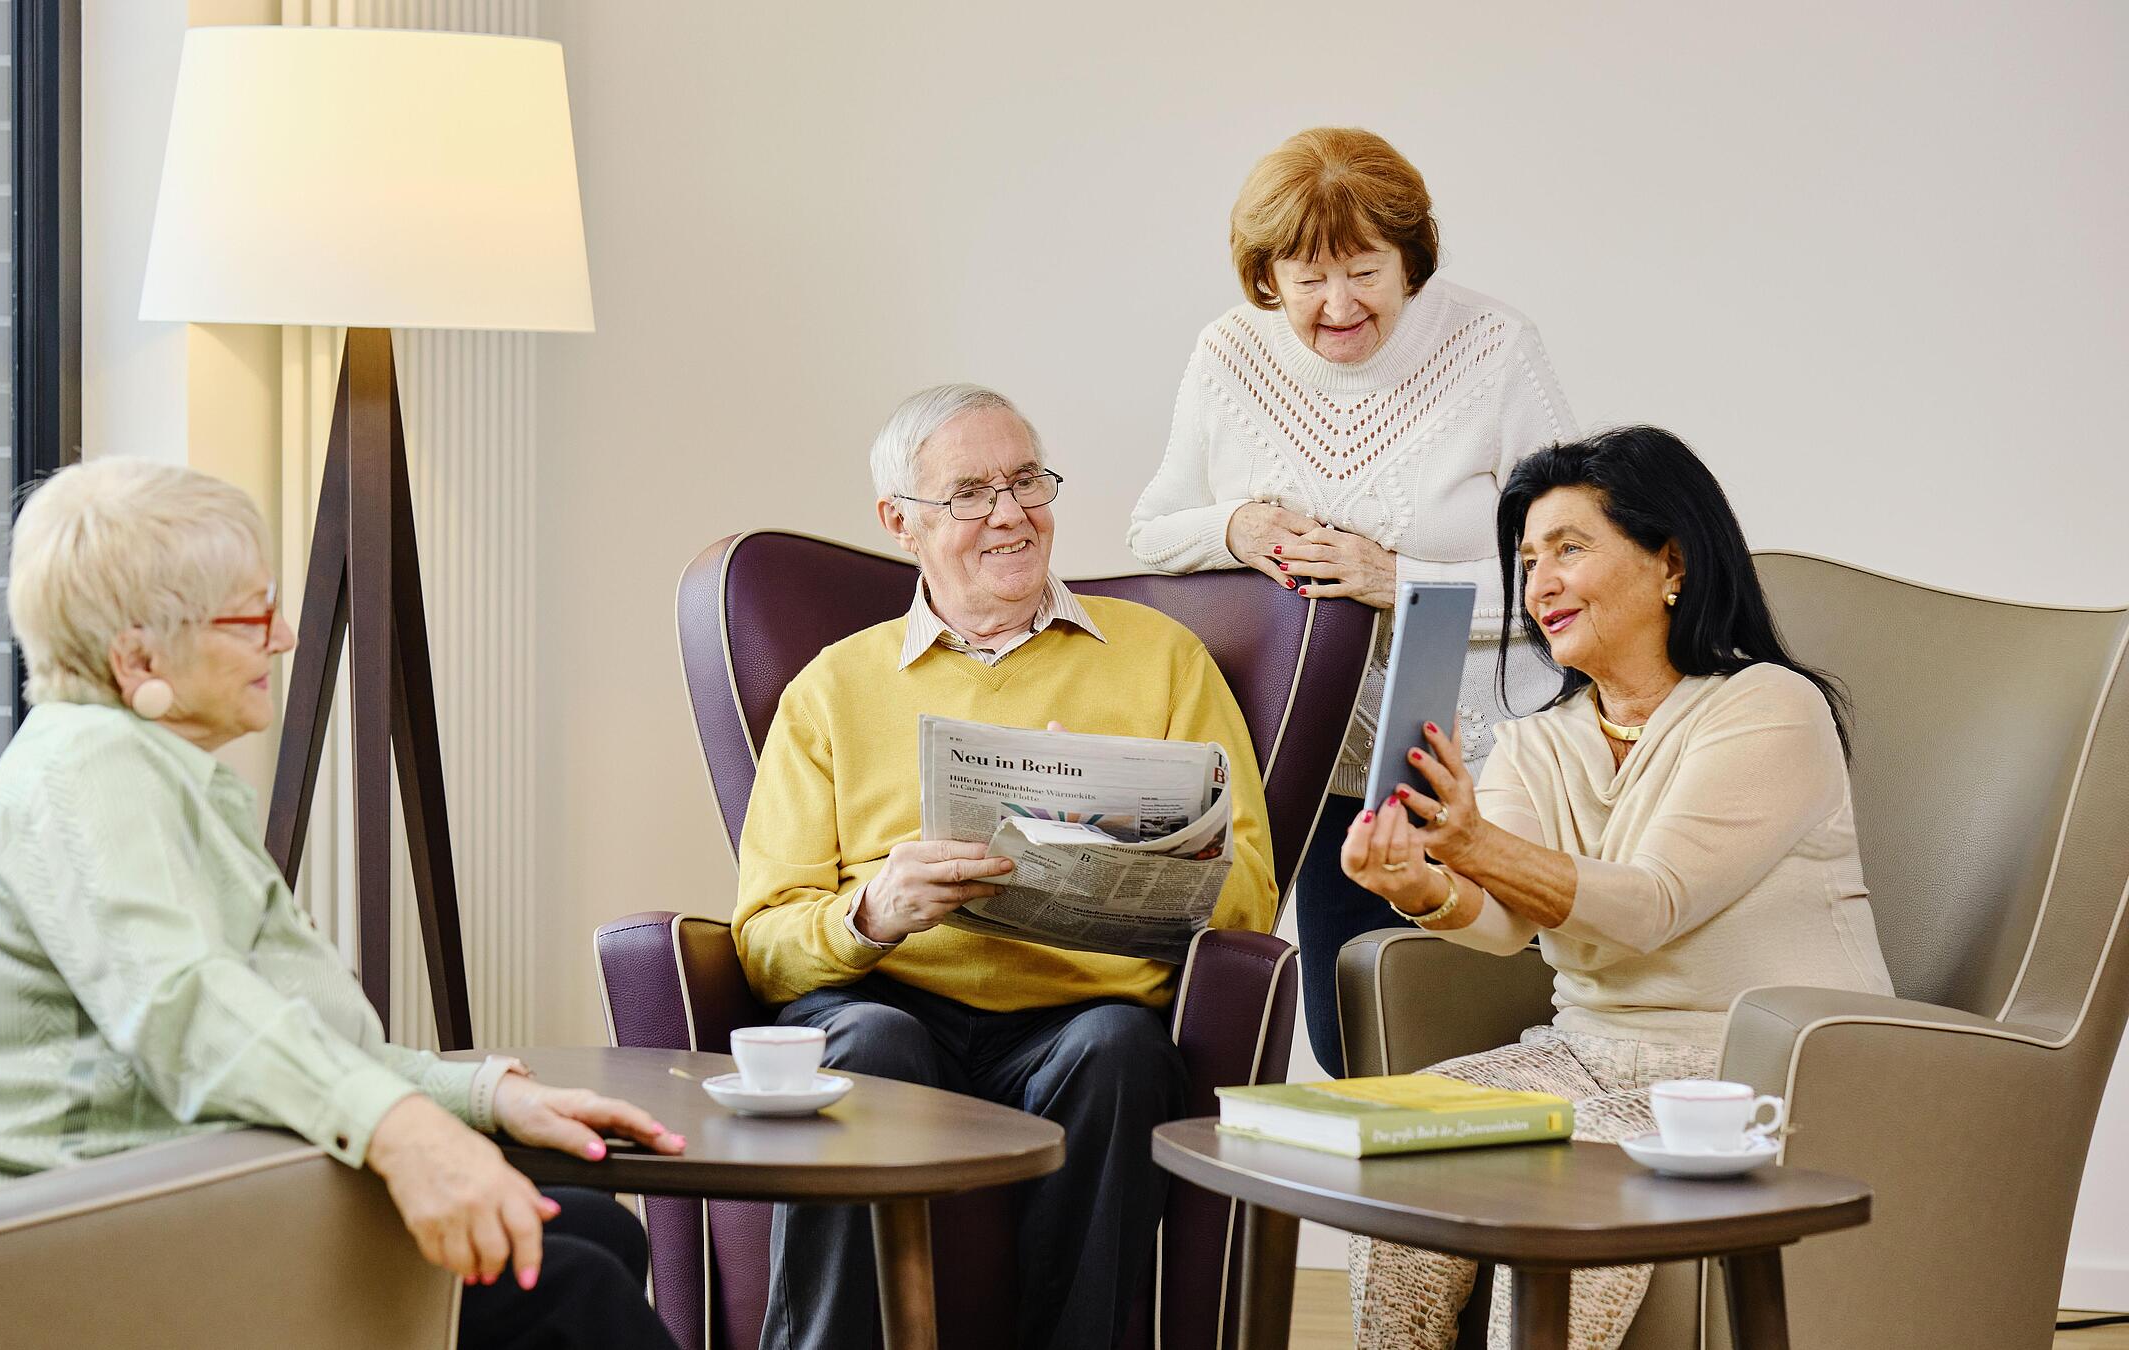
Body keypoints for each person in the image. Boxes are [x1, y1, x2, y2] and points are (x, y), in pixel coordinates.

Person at [0, 459, 682, 1350]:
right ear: (138, 658)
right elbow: (186, 1007)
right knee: (567, 1289)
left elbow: (294, 1038)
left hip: (172, 1189)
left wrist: (481, 1098)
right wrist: (406, 1134)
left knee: (594, 1227)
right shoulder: (86, 772)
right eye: (252, 617)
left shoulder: (147, 771)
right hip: (78, 1231)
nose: (284, 637)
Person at [735, 384, 1278, 1350]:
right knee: (864, 1047)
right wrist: (874, 912)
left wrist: (1125, 849)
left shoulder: (1162, 659)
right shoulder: (832, 687)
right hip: (892, 1004)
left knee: (1118, 1050)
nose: (1011, 514)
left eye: (1028, 481)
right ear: (900, 523)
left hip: (1080, 1017)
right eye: (972, 492)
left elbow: (1250, 896)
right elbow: (766, 944)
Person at [1336, 426, 1895, 1349]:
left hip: (1753, 1075)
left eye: (1570, 549)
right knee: (1402, 1142)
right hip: (1586, 1054)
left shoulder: (1767, 709)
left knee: (1559, 1163)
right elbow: (1507, 922)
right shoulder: (1539, 739)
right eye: (1525, 560)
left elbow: (1648, 905)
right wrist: (1420, 885)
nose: (1539, 583)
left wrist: (1470, 841)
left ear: (1670, 561)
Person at [1127, 126, 1579, 1074]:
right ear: (1265, 277)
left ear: (1410, 260)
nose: (1340, 306)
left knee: (1497, 1051)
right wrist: (1239, 525)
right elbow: (1152, 533)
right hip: (1330, 771)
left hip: (1488, 774)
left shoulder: (1493, 349)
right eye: (1307, 279)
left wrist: (1396, 580)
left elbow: (1572, 574)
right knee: (1354, 1052)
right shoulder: (1229, 355)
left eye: (1366, 272)